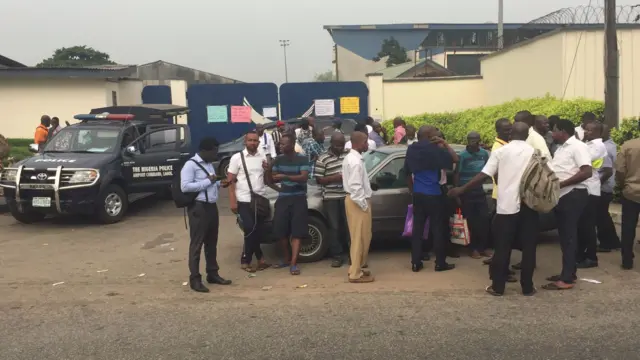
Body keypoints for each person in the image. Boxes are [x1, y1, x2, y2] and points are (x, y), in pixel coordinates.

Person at [449, 122, 538, 296]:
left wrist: (461, 189)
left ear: (510, 134)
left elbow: (483, 175)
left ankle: (498, 287)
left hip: (506, 207)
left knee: (502, 247)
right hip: (529, 205)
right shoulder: (535, 152)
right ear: (527, 135)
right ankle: (527, 287)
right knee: (529, 248)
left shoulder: (500, 152)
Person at [543, 119, 592, 290]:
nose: (551, 133)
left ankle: (566, 280)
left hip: (573, 195)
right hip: (562, 196)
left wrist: (562, 184)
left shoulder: (577, 147)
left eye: (554, 130)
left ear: (563, 131)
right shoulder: (562, 148)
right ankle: (569, 272)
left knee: (569, 237)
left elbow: (586, 171)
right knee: (565, 237)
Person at [404, 126, 458, 273]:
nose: (436, 135)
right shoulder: (435, 150)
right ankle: (440, 263)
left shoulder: (411, 149)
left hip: (418, 194)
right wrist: (445, 144)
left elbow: (407, 172)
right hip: (434, 194)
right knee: (438, 229)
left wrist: (412, 190)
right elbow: (455, 159)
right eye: (434, 133)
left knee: (417, 229)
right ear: (428, 135)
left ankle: (416, 262)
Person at [180, 137, 231, 293]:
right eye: (214, 151)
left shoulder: (209, 164)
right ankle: (195, 278)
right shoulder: (190, 165)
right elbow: (185, 187)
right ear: (205, 151)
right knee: (197, 244)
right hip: (198, 208)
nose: (216, 154)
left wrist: (218, 183)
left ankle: (213, 273)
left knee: (211, 242)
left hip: (211, 207)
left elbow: (211, 182)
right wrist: (208, 182)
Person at [265, 133, 310, 275]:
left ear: (292, 144)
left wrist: (286, 177)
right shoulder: (278, 160)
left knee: (297, 231)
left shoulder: (302, 158)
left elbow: (303, 177)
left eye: (283, 144)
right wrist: (268, 169)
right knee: (280, 230)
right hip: (283, 198)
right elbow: (270, 181)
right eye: (280, 144)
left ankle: (294, 263)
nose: (280, 146)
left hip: (298, 198)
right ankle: (287, 258)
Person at [227, 131, 271, 273]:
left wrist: (268, 170)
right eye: (250, 140)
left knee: (257, 230)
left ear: (259, 142)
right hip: (244, 199)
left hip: (260, 198)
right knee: (250, 229)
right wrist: (233, 201)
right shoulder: (237, 158)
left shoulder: (262, 156)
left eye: (255, 140)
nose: (253, 143)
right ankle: (245, 260)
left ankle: (261, 259)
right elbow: (230, 180)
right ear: (245, 142)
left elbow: (266, 178)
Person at [342, 131, 374, 283]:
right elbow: (355, 187)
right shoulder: (354, 161)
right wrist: (364, 205)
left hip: (355, 201)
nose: (367, 144)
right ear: (360, 143)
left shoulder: (353, 158)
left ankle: (356, 268)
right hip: (357, 202)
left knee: (362, 236)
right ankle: (355, 273)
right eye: (366, 142)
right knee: (359, 238)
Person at [454, 131, 492, 259]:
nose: (473, 142)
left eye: (476, 139)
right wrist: (458, 192)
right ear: (468, 141)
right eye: (471, 139)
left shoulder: (483, 154)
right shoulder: (463, 156)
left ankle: (484, 247)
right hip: (466, 192)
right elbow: (457, 174)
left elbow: (488, 170)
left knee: (484, 219)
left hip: (479, 190)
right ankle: (473, 248)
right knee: (471, 221)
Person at [315, 133, 350, 267]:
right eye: (337, 145)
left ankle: (352, 254)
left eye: (342, 145)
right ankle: (337, 255)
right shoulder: (323, 158)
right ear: (331, 144)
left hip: (346, 195)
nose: (340, 148)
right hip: (331, 197)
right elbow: (318, 180)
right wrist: (333, 178)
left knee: (348, 227)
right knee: (334, 227)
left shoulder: (347, 155)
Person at [576, 121, 607, 269]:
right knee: (582, 225)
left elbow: (583, 160)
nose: (586, 132)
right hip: (585, 188)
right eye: (586, 130)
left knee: (588, 226)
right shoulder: (587, 144)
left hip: (591, 189)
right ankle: (581, 255)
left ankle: (591, 257)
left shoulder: (598, 146)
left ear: (598, 133)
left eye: (590, 130)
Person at [482, 118, 512, 267]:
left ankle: (498, 260)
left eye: (510, 128)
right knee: (502, 232)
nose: (509, 131)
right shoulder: (498, 147)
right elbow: (496, 173)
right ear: (498, 131)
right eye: (506, 129)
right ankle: (500, 264)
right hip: (500, 194)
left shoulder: (507, 145)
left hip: (504, 194)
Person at [615, 132, 640, 269]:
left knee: (628, 227)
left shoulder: (628, 146)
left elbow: (619, 169)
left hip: (631, 191)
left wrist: (623, 184)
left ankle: (627, 260)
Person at [597, 124, 621, 252]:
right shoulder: (610, 145)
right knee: (603, 215)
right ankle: (613, 242)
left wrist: (596, 184)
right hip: (607, 186)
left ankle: (607, 243)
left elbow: (607, 171)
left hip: (603, 186)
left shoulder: (605, 148)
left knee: (601, 216)